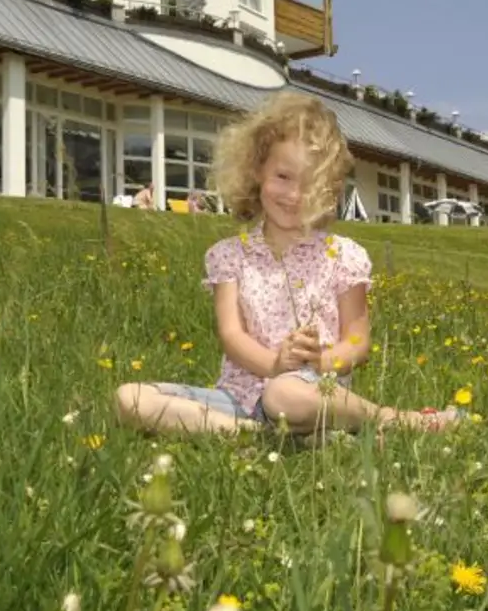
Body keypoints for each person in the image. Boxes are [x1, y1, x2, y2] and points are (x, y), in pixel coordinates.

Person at [115, 92, 462, 437]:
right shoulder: (229, 256)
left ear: (330, 189)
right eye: (283, 176)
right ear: (257, 169)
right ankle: (246, 433)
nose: (294, 195)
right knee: (130, 398)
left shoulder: (343, 256)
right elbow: (231, 335)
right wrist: (273, 364)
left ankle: (391, 419)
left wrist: (319, 361)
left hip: (309, 393)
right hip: (236, 400)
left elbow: (357, 344)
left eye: (311, 183)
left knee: (283, 394)